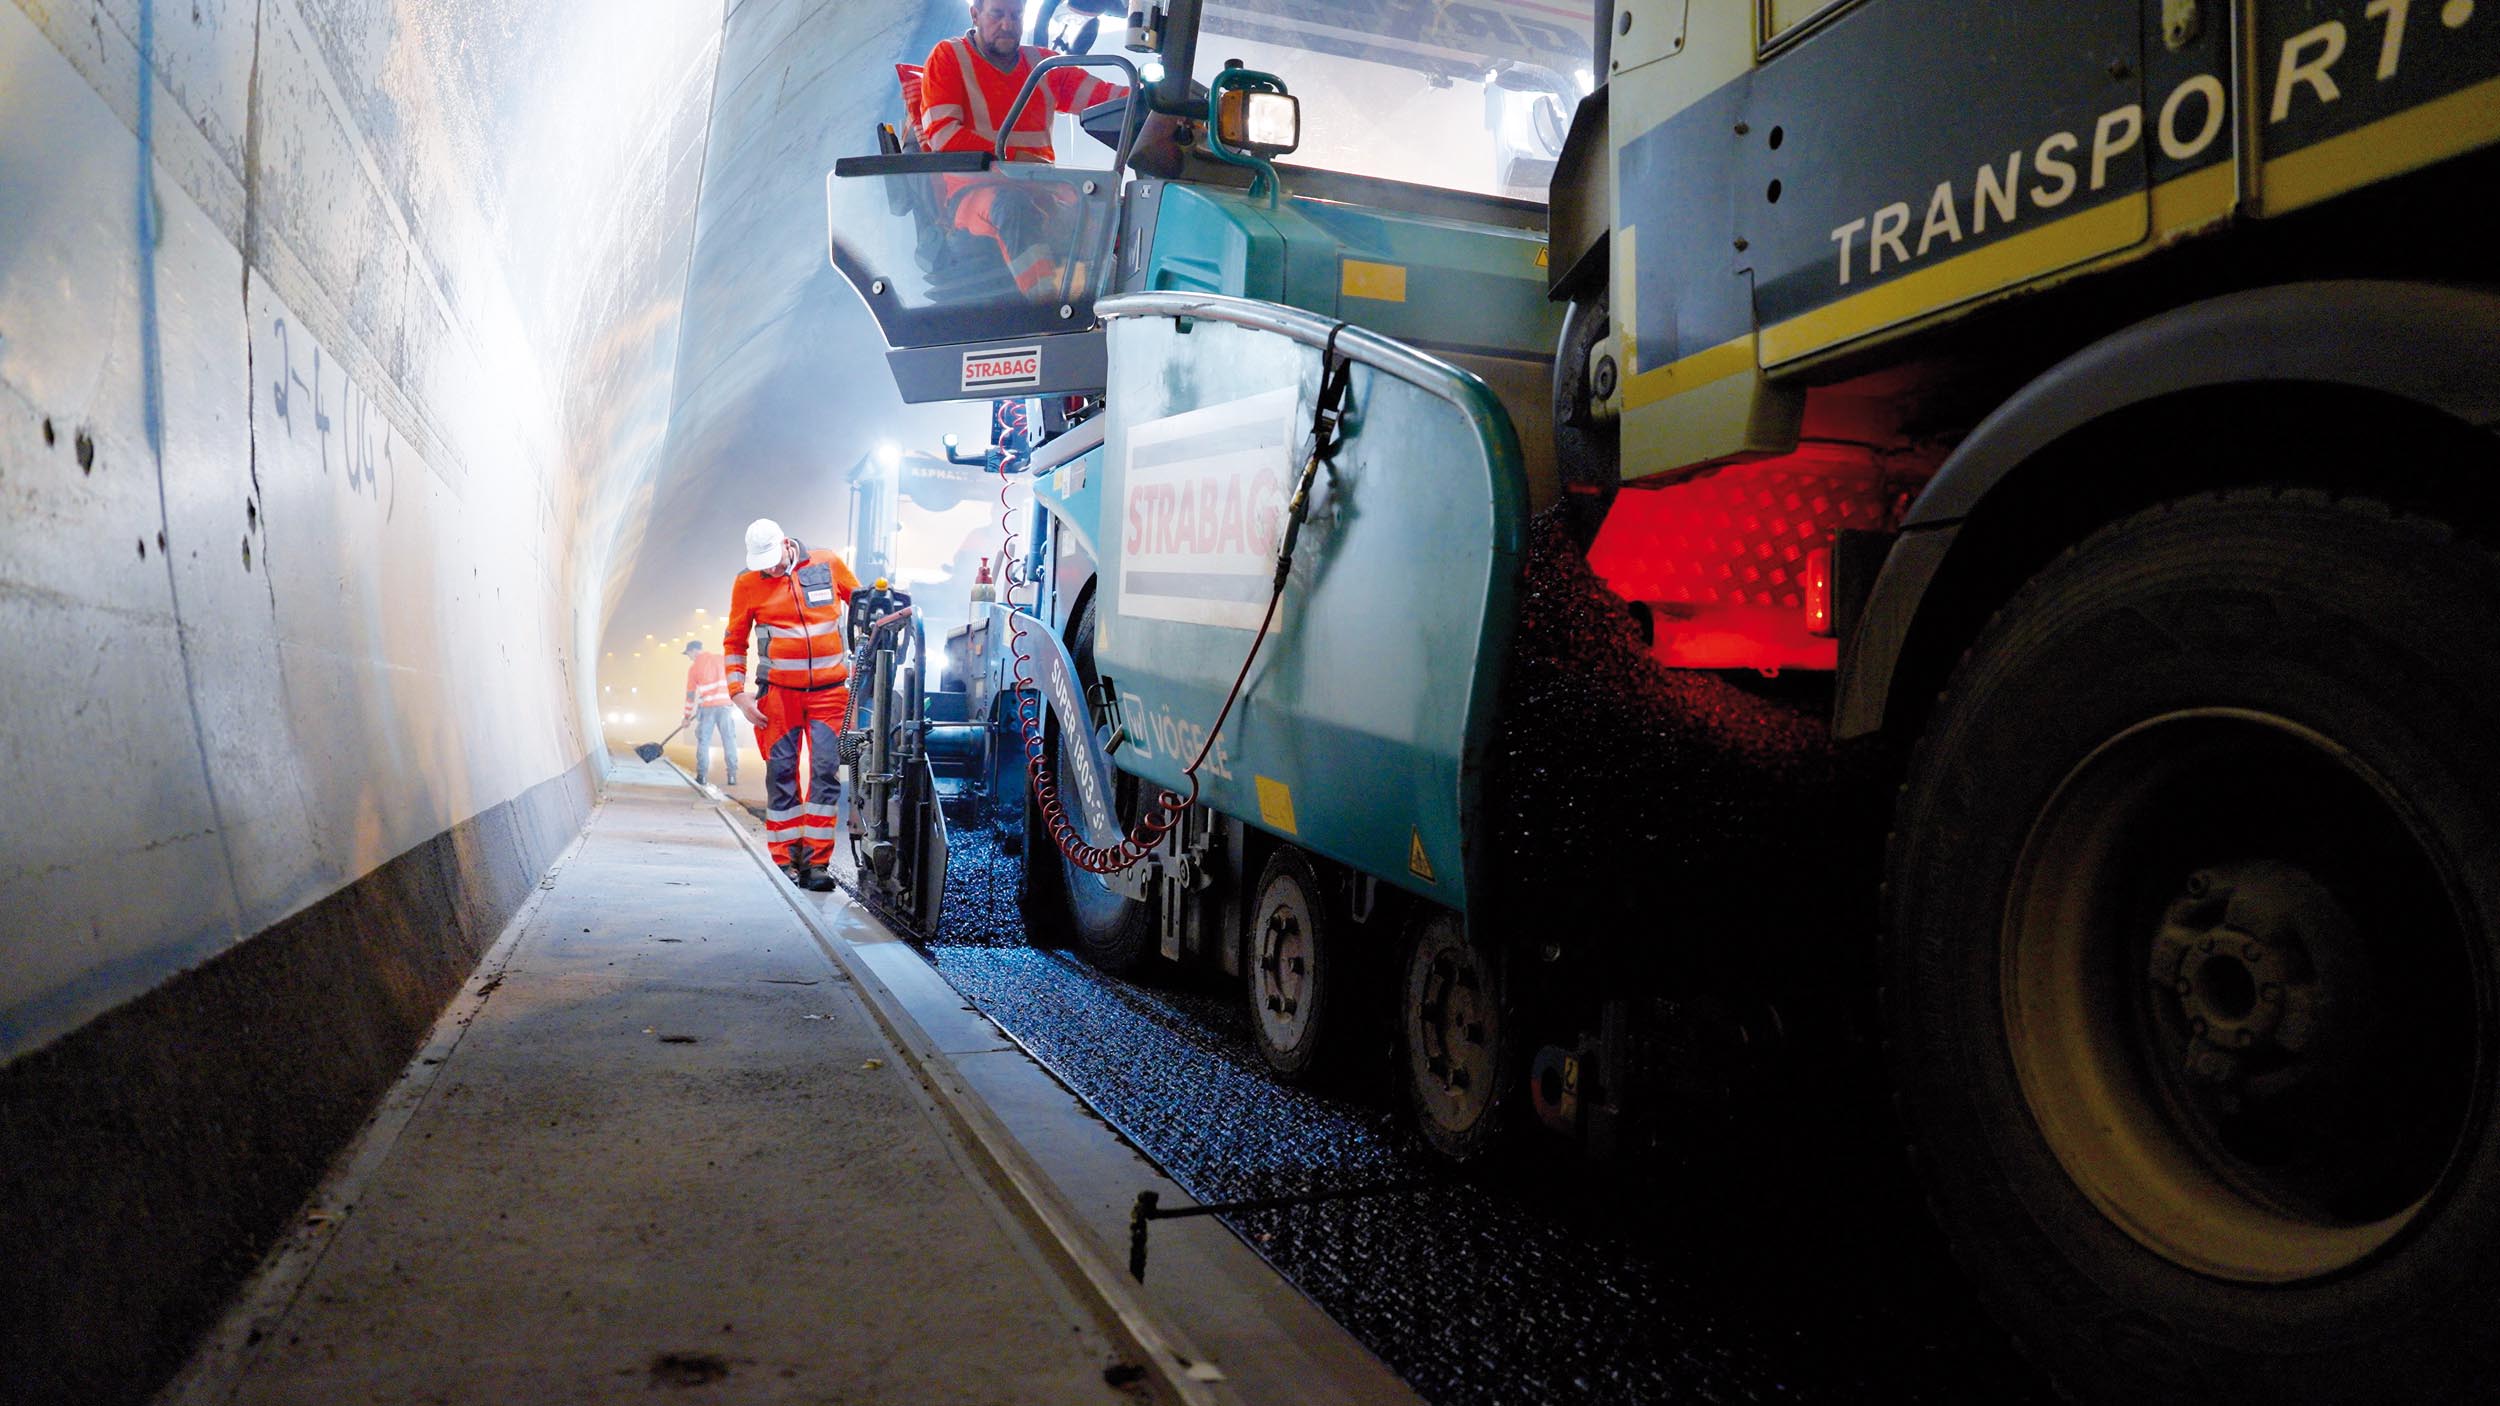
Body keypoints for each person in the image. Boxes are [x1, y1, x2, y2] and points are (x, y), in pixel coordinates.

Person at [916, 0, 1185, 297]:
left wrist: (1163, 105)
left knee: (1117, 210)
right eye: (997, 14)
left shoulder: (1045, 66)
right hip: (975, 191)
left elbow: (1106, 97)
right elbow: (943, 135)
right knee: (1012, 206)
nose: (1007, 24)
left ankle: (1128, 306)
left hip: (1043, 189)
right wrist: (1016, 159)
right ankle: (1049, 307)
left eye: (1016, 15)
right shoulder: (948, 57)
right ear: (975, 14)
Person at [723, 518, 860, 892]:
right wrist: (738, 693)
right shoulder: (747, 584)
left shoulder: (826, 563)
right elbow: (735, 641)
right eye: (762, 563)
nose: (770, 568)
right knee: (781, 775)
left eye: (773, 559)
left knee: (825, 774)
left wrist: (884, 613)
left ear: (787, 543)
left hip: (830, 693)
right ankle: (786, 859)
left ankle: (817, 864)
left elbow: (863, 605)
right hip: (777, 695)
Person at [681, 638, 738, 793]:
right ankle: (732, 775)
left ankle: (702, 776)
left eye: (689, 654)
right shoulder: (721, 659)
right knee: (729, 739)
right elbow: (735, 676)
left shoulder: (694, 668)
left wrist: (686, 716)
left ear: (694, 651)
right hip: (726, 706)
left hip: (707, 709)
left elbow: (690, 695)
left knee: (703, 741)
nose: (689, 657)